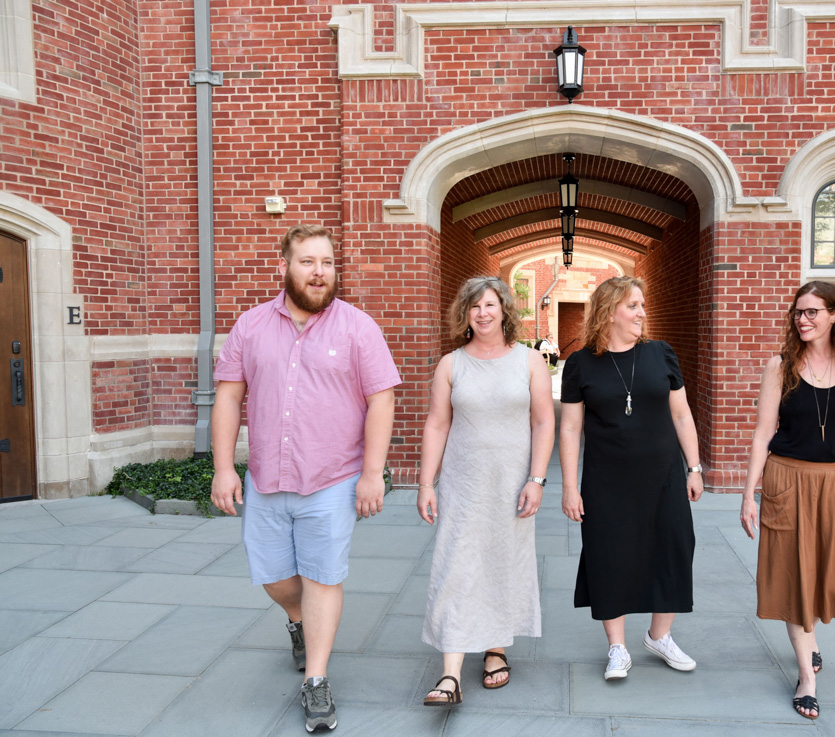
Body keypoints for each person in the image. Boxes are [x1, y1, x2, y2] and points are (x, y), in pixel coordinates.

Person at [210, 224, 400, 733]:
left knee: (323, 575)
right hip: (267, 477)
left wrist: (372, 474)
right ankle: (298, 622)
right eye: (308, 262)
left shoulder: (359, 328)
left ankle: (315, 680)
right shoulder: (249, 327)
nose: (320, 272)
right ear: (284, 266)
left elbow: (382, 399)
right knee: (274, 577)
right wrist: (225, 467)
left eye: (328, 263)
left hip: (332, 478)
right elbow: (229, 397)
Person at [738, 280, 835, 720]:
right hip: (786, 481)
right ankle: (807, 676)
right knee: (792, 575)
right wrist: (749, 493)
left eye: (812, 312)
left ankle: (811, 639)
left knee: (826, 574)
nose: (802, 320)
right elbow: (763, 433)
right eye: (798, 313)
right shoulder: (780, 366)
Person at [417, 276, 555, 707]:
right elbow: (437, 424)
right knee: (456, 563)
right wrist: (426, 482)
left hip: (512, 483)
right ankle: (450, 673)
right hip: (464, 482)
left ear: (504, 310)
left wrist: (537, 479)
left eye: (490, 304)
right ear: (465, 314)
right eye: (474, 306)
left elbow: (543, 422)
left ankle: (495, 647)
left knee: (501, 561)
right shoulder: (451, 365)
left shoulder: (529, 362)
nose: (482, 313)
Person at [558, 275, 704, 680]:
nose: (643, 312)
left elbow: (681, 414)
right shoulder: (581, 363)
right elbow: (569, 428)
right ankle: (617, 648)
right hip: (607, 481)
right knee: (610, 555)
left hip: (663, 476)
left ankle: (659, 636)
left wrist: (694, 467)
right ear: (609, 312)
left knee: (675, 547)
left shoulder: (661, 354)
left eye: (642, 305)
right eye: (634, 305)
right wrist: (570, 486)